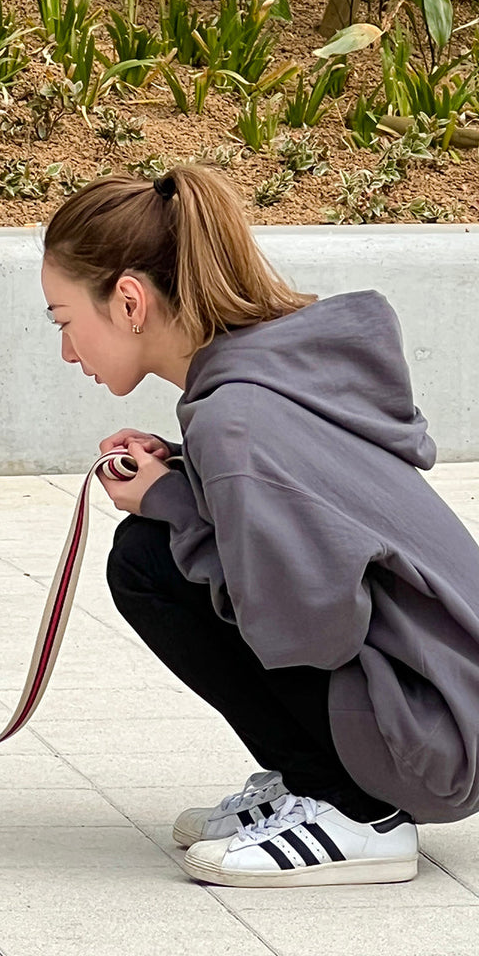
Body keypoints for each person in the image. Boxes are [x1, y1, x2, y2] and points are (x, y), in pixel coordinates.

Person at [41, 164, 479, 888]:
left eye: (64, 321)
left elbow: (310, 627)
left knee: (147, 561)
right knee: (156, 547)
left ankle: (357, 811)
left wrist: (172, 501)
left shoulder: (237, 418)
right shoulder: (276, 376)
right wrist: (183, 471)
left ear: (128, 301)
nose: (65, 350)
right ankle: (319, 780)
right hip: (448, 708)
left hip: (433, 745)